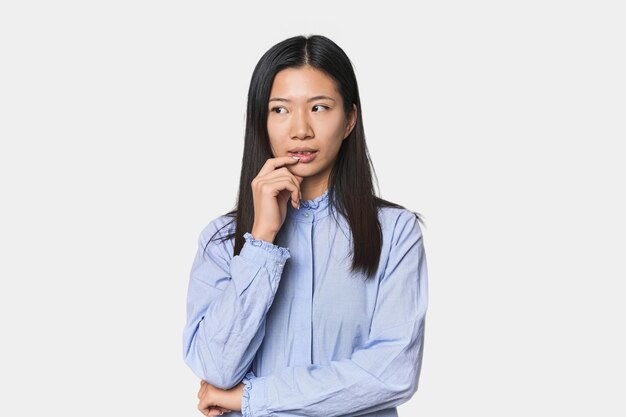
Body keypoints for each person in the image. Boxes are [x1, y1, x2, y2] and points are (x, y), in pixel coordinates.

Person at [182, 34, 429, 417]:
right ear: (261, 121)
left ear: (349, 119)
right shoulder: (221, 241)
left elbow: (391, 373)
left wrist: (251, 398)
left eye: (319, 107)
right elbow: (216, 366)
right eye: (280, 110)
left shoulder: (395, 233)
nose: (300, 130)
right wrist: (261, 239)